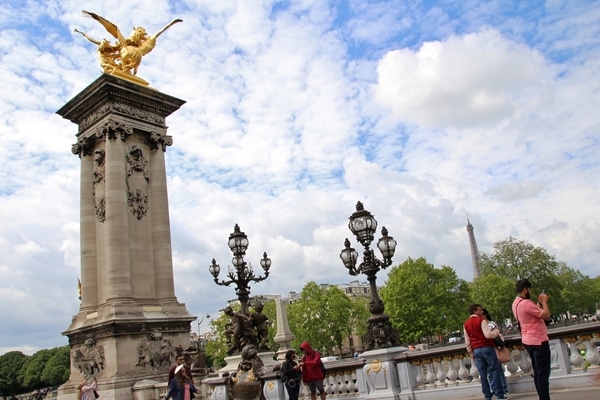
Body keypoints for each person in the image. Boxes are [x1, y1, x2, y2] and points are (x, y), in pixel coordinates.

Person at [512, 278, 551, 400]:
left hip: (528, 340)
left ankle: (542, 397)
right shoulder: (526, 303)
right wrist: (544, 302)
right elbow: (546, 315)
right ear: (525, 290)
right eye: (529, 289)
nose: (530, 292)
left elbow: (531, 313)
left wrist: (538, 305)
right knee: (543, 374)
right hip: (538, 340)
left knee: (538, 372)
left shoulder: (515, 303)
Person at [463, 304, 508, 400]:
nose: (482, 312)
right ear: (474, 311)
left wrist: (471, 353)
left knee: (483, 375)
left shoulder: (466, 324)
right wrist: (496, 332)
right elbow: (488, 335)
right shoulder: (481, 320)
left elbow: (467, 342)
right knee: (494, 371)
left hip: (476, 350)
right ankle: (499, 395)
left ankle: (487, 396)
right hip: (487, 348)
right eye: (480, 310)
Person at [482, 308, 509, 395]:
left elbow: (491, 335)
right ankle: (495, 388)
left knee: (496, 369)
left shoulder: (490, 324)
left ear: (484, 315)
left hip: (494, 348)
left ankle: (502, 388)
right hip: (488, 348)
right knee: (491, 370)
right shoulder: (484, 324)